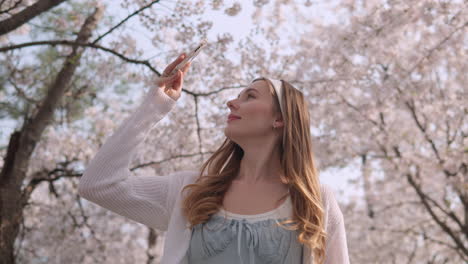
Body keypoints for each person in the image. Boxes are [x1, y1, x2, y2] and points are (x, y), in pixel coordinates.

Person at [78, 53, 350, 264]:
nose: (232, 102)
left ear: (280, 118)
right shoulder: (190, 192)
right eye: (237, 95)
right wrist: (156, 105)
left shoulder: (315, 201)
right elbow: (98, 184)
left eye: (250, 96)